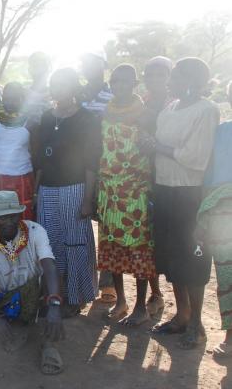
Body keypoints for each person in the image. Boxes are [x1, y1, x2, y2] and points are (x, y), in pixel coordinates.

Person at [151, 58, 220, 350]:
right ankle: (181, 316)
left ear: (192, 79)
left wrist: (158, 148)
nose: (170, 81)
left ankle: (197, 325)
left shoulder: (206, 110)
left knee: (193, 258)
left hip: (190, 194)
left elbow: (195, 158)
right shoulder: (169, 109)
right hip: (164, 190)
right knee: (171, 257)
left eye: (176, 76)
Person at [35, 68, 101, 317]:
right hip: (48, 189)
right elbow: (41, 157)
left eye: (62, 84)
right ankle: (55, 295)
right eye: (53, 84)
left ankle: (76, 298)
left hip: (75, 187)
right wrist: (36, 190)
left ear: (73, 88)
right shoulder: (47, 118)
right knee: (50, 244)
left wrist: (87, 198)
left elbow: (91, 161)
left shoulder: (87, 119)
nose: (56, 88)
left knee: (75, 243)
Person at [0, 191, 65, 375]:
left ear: (20, 215)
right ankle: (22, 325)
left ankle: (50, 346)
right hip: (9, 300)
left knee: (54, 276)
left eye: (12, 216)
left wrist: (55, 304)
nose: (8, 222)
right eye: (2, 217)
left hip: (39, 294)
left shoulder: (35, 231)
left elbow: (49, 265)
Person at [96, 65, 156, 326]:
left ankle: (141, 307)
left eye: (124, 81)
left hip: (135, 192)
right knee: (113, 248)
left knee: (139, 250)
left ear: (134, 83)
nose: (119, 86)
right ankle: (121, 301)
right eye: (115, 81)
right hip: (109, 191)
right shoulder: (105, 112)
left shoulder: (146, 114)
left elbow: (151, 151)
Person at [80, 50, 115, 303]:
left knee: (107, 225)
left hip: (107, 167)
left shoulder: (113, 96)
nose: (89, 68)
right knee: (80, 219)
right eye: (85, 64)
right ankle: (82, 278)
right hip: (78, 167)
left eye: (94, 64)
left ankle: (108, 283)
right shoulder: (76, 95)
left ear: (104, 67)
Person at [140, 55, 174, 316]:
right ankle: (156, 292)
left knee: (169, 240)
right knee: (146, 238)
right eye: (150, 75)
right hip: (144, 177)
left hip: (172, 179)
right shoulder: (144, 104)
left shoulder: (176, 105)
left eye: (160, 75)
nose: (155, 80)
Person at [196, 121, 232, 358]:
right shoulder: (219, 131)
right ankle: (230, 337)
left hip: (220, 208)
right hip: (221, 209)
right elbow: (206, 174)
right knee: (226, 275)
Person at [0, 82, 36, 220]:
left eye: (15, 98)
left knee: (24, 220)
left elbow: (36, 157)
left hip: (22, 180)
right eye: (7, 98)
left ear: (22, 99)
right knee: (2, 222)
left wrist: (36, 190)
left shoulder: (31, 122)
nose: (10, 102)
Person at [80, 51, 113, 116]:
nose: (87, 67)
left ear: (103, 65)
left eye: (92, 62)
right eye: (84, 63)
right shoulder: (77, 95)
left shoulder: (114, 96)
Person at [24, 51, 53, 125]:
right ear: (29, 70)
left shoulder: (58, 95)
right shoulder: (22, 93)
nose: (40, 70)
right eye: (35, 66)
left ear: (49, 69)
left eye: (43, 65)